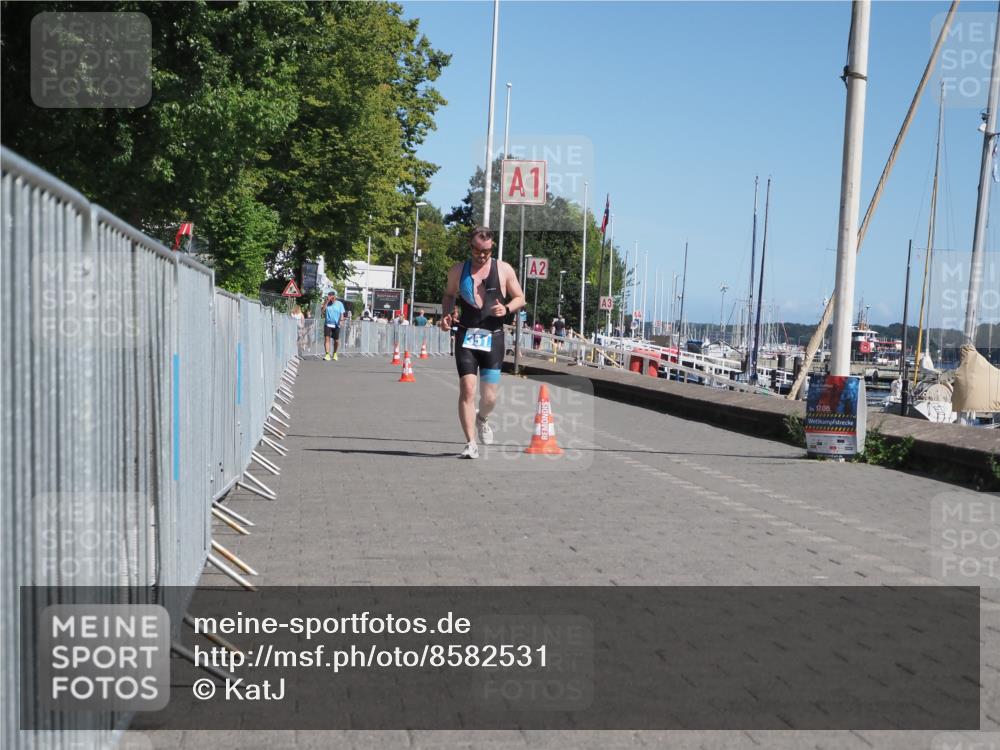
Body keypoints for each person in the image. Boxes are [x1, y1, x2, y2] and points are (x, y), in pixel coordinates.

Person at [439, 226, 526, 459]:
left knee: (489, 398)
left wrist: (507, 308)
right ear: (470, 247)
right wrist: (446, 315)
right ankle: (470, 443)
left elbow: (520, 297)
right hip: (466, 336)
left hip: (493, 338)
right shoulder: (458, 270)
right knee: (467, 389)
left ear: (492, 247)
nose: (482, 255)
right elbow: (449, 295)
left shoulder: (503, 269)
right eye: (477, 250)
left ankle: (482, 418)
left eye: (486, 251)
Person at [321, 290, 345, 361]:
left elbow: (342, 314)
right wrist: (326, 302)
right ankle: (327, 355)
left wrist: (341, 320)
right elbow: (322, 311)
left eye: (331, 296)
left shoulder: (339, 304)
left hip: (336, 324)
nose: (330, 297)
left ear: (334, 297)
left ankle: (335, 353)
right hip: (328, 324)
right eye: (329, 296)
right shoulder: (327, 303)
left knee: (336, 340)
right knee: (327, 338)